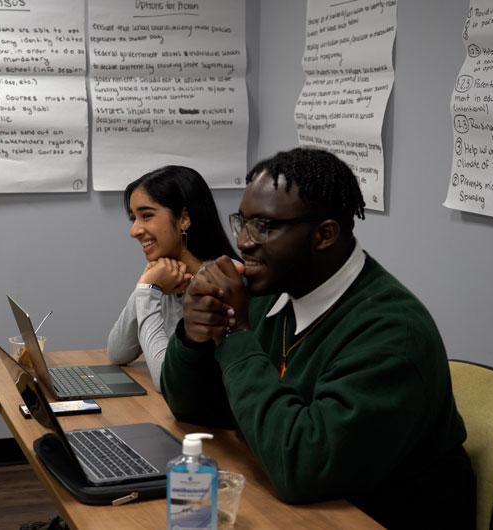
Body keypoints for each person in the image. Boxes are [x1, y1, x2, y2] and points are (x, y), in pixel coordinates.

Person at [160, 148, 476, 529]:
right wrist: (194, 337)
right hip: (290, 502)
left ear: (324, 234)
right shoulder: (273, 292)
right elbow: (190, 408)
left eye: (263, 226)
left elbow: (302, 466)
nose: (243, 242)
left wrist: (235, 334)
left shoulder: (392, 332)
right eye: (242, 222)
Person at [107, 165, 237, 391]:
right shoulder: (165, 274)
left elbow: (168, 380)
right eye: (133, 218)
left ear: (184, 218)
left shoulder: (223, 281)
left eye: (146, 216)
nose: (134, 230)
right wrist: (147, 285)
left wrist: (148, 290)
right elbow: (118, 352)